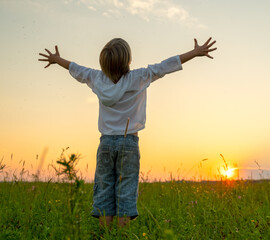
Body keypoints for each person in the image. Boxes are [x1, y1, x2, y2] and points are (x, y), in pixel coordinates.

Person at [38, 37, 217, 228]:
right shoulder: (139, 77)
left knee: (104, 191)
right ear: (128, 60)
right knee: (126, 193)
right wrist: (195, 53)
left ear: (103, 62)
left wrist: (57, 60)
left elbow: (75, 68)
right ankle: (122, 235)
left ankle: (106, 234)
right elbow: (166, 66)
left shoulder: (96, 79)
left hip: (105, 143)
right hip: (129, 144)